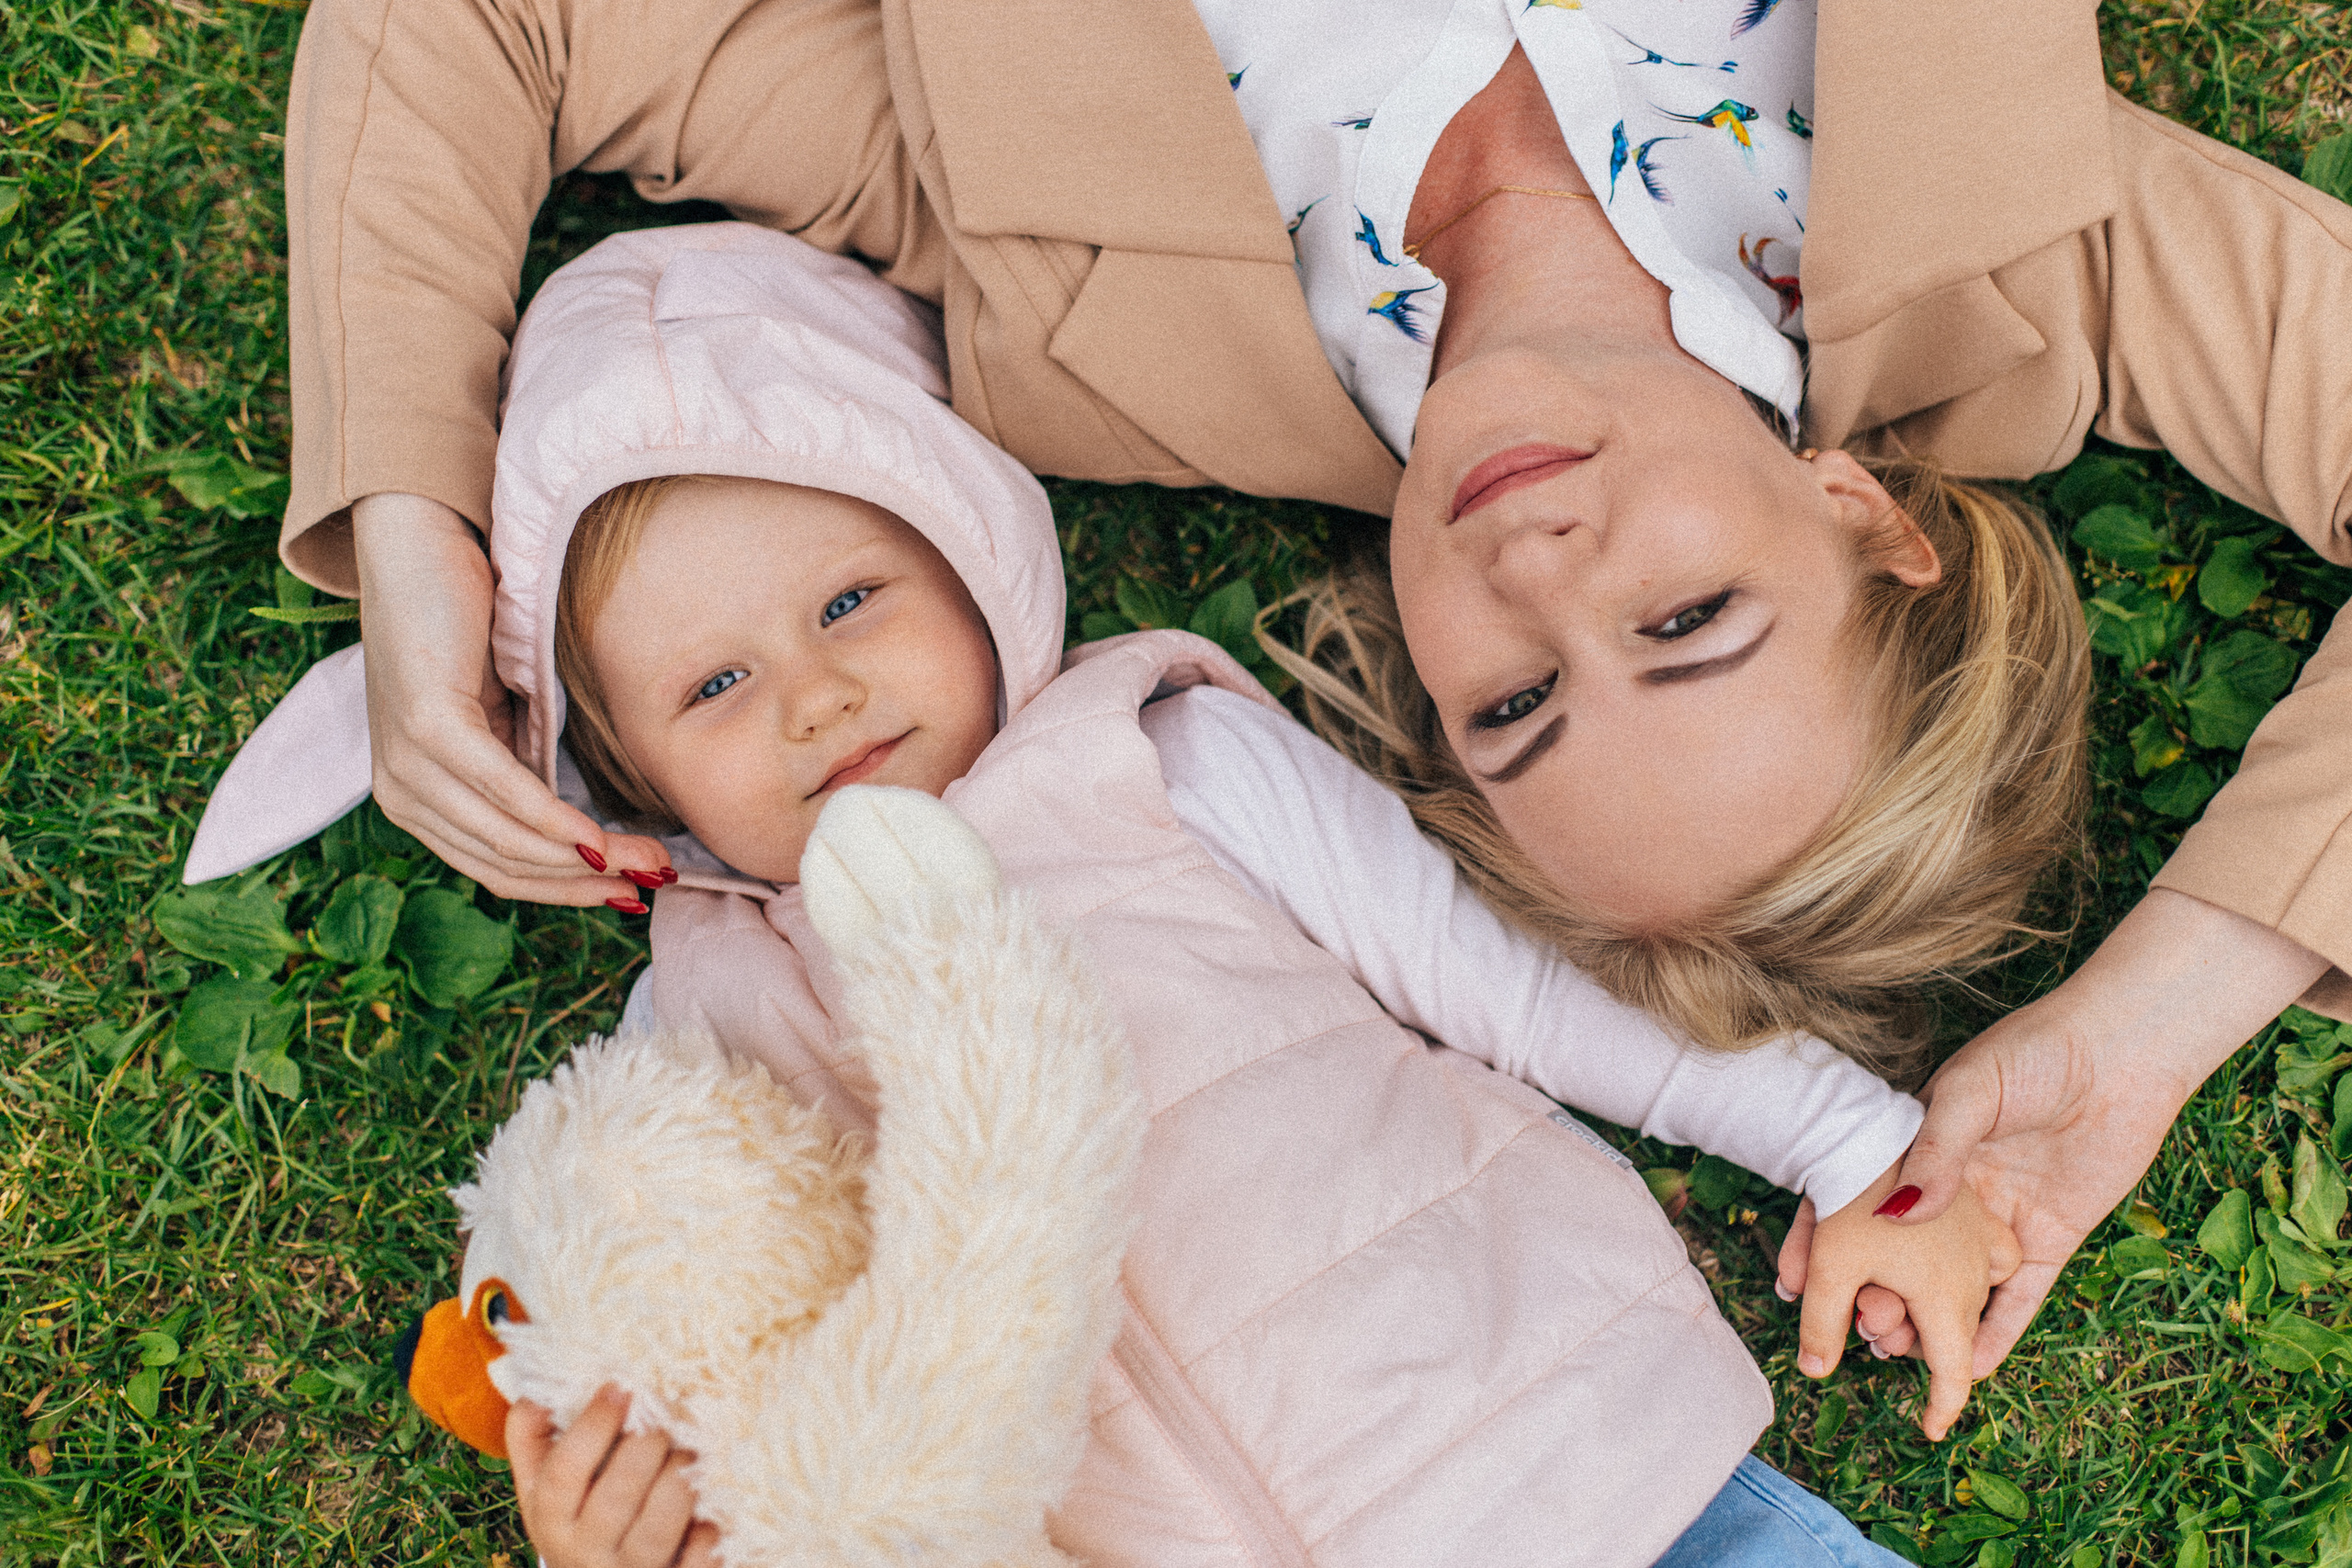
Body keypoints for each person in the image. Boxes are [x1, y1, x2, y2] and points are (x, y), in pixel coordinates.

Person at [275, 0, 2351, 1371]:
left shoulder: (1067, 295)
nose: (1536, 578)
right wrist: (2173, 993)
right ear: (1858, 513)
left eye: (1511, 709)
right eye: (1687, 619)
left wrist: (408, 528)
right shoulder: (2018, 246)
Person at [476, 220, 2010, 1565]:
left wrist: (1844, 1141)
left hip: (1572, 1484)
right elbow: (671, 1311)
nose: (814, 698)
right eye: (717, 683)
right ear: (631, 775)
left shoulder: (1160, 761)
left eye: (851, 601)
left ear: (967, 555)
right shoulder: (687, 1022)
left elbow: (1496, 977)